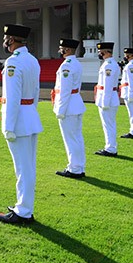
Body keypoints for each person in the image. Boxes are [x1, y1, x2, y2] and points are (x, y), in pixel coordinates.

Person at [0, 24, 42, 225]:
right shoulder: (32, 60)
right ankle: (24, 207)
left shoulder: (13, 63)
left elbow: (12, 98)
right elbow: (37, 92)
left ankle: (23, 211)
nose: (5, 42)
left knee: (23, 168)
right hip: (30, 116)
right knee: (28, 167)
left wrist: (8, 125)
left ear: (12, 40)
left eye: (6, 38)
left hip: (19, 121)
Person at [52, 38, 86, 179]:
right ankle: (79, 166)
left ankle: (74, 168)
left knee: (71, 139)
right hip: (75, 104)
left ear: (67, 50)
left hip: (69, 106)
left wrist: (60, 109)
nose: (60, 51)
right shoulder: (76, 63)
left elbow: (65, 90)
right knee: (76, 137)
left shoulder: (67, 66)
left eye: (62, 48)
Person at [93, 42, 120, 157]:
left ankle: (110, 148)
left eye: (101, 52)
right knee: (109, 124)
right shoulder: (108, 64)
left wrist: (105, 102)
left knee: (108, 124)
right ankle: (110, 146)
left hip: (107, 98)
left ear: (106, 52)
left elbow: (108, 85)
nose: (99, 53)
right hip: (108, 97)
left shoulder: (109, 65)